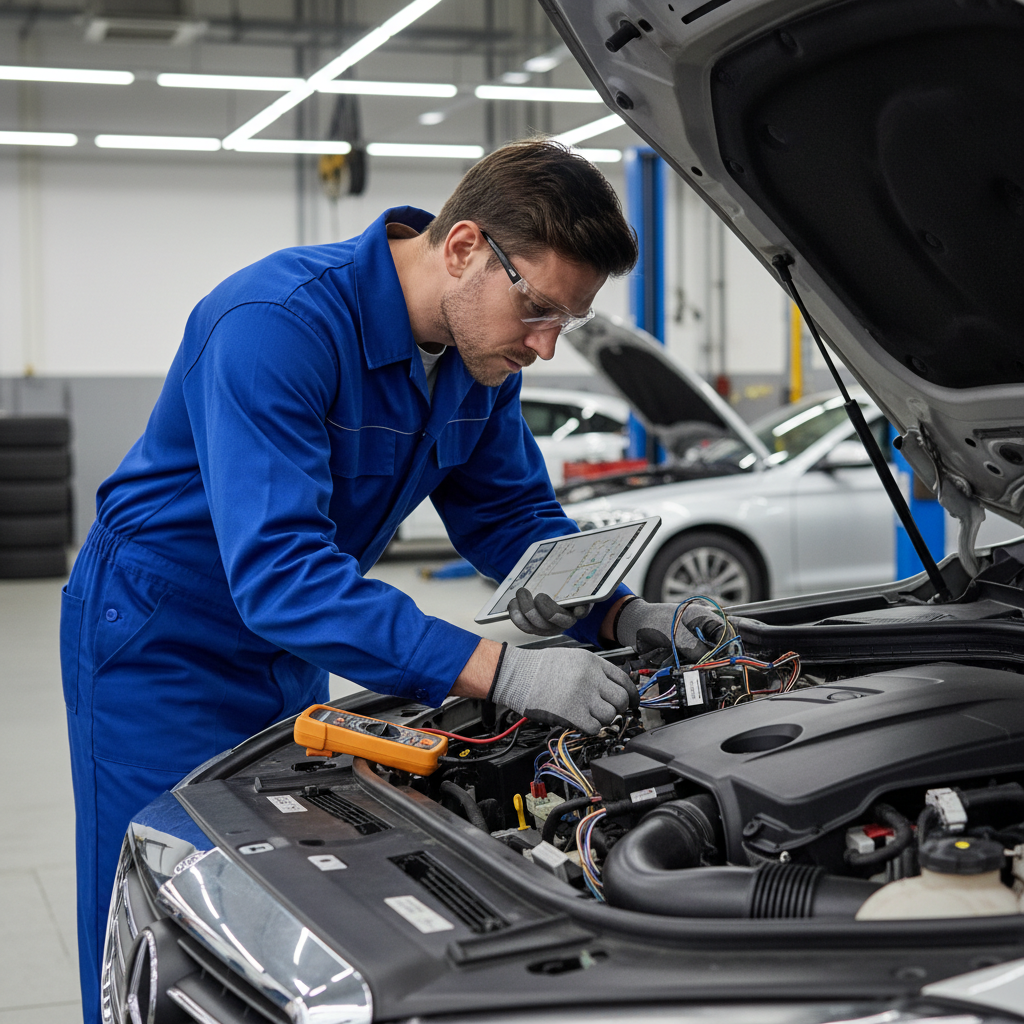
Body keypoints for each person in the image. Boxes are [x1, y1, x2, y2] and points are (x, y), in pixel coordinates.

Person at [59, 138, 705, 1022]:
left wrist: (625, 616)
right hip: (159, 633)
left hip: (295, 634)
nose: (547, 347)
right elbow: (282, 573)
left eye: (568, 323)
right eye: (539, 311)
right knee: (160, 906)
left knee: (274, 883)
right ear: (466, 248)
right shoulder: (274, 322)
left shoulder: (481, 359)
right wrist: (503, 670)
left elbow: (512, 522)